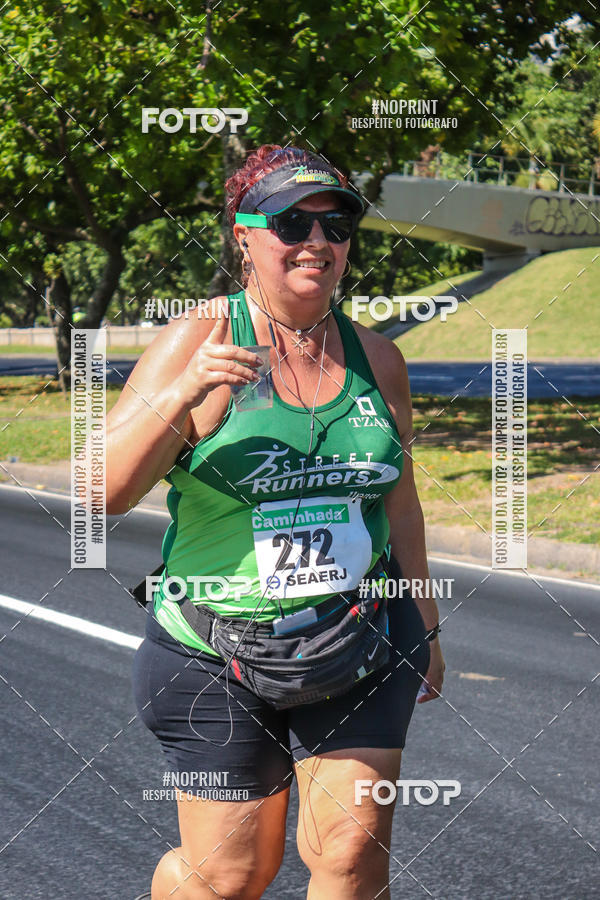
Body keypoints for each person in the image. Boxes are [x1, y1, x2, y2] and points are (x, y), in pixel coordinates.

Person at [106, 145, 445, 900]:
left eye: (338, 224)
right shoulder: (199, 338)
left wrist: (424, 620)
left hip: (357, 637)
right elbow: (105, 492)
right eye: (293, 223)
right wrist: (186, 391)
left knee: (353, 861)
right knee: (229, 874)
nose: (318, 243)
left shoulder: (378, 360)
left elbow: (399, 496)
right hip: (213, 649)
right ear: (244, 235)